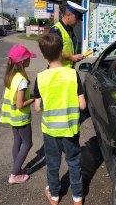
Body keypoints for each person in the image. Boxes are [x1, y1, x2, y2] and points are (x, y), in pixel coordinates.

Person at [34, 33, 86, 205]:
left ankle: (54, 195)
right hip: (70, 129)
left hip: (50, 130)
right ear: (62, 51)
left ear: (43, 54)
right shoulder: (72, 75)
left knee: (53, 163)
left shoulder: (40, 78)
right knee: (74, 162)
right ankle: (78, 196)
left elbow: (37, 107)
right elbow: (83, 105)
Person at [0, 45, 36, 184]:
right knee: (28, 143)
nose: (30, 60)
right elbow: (21, 104)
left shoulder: (11, 76)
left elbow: (15, 100)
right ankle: (14, 174)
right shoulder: (22, 80)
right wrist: (33, 99)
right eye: (28, 58)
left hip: (13, 116)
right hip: (21, 117)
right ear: (22, 62)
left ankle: (18, 168)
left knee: (18, 142)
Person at [50, 0, 87, 68]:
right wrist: (71, 57)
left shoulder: (70, 29)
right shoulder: (56, 30)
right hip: (58, 72)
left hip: (68, 71)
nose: (78, 22)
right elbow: (53, 53)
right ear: (68, 15)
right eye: (77, 18)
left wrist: (75, 57)